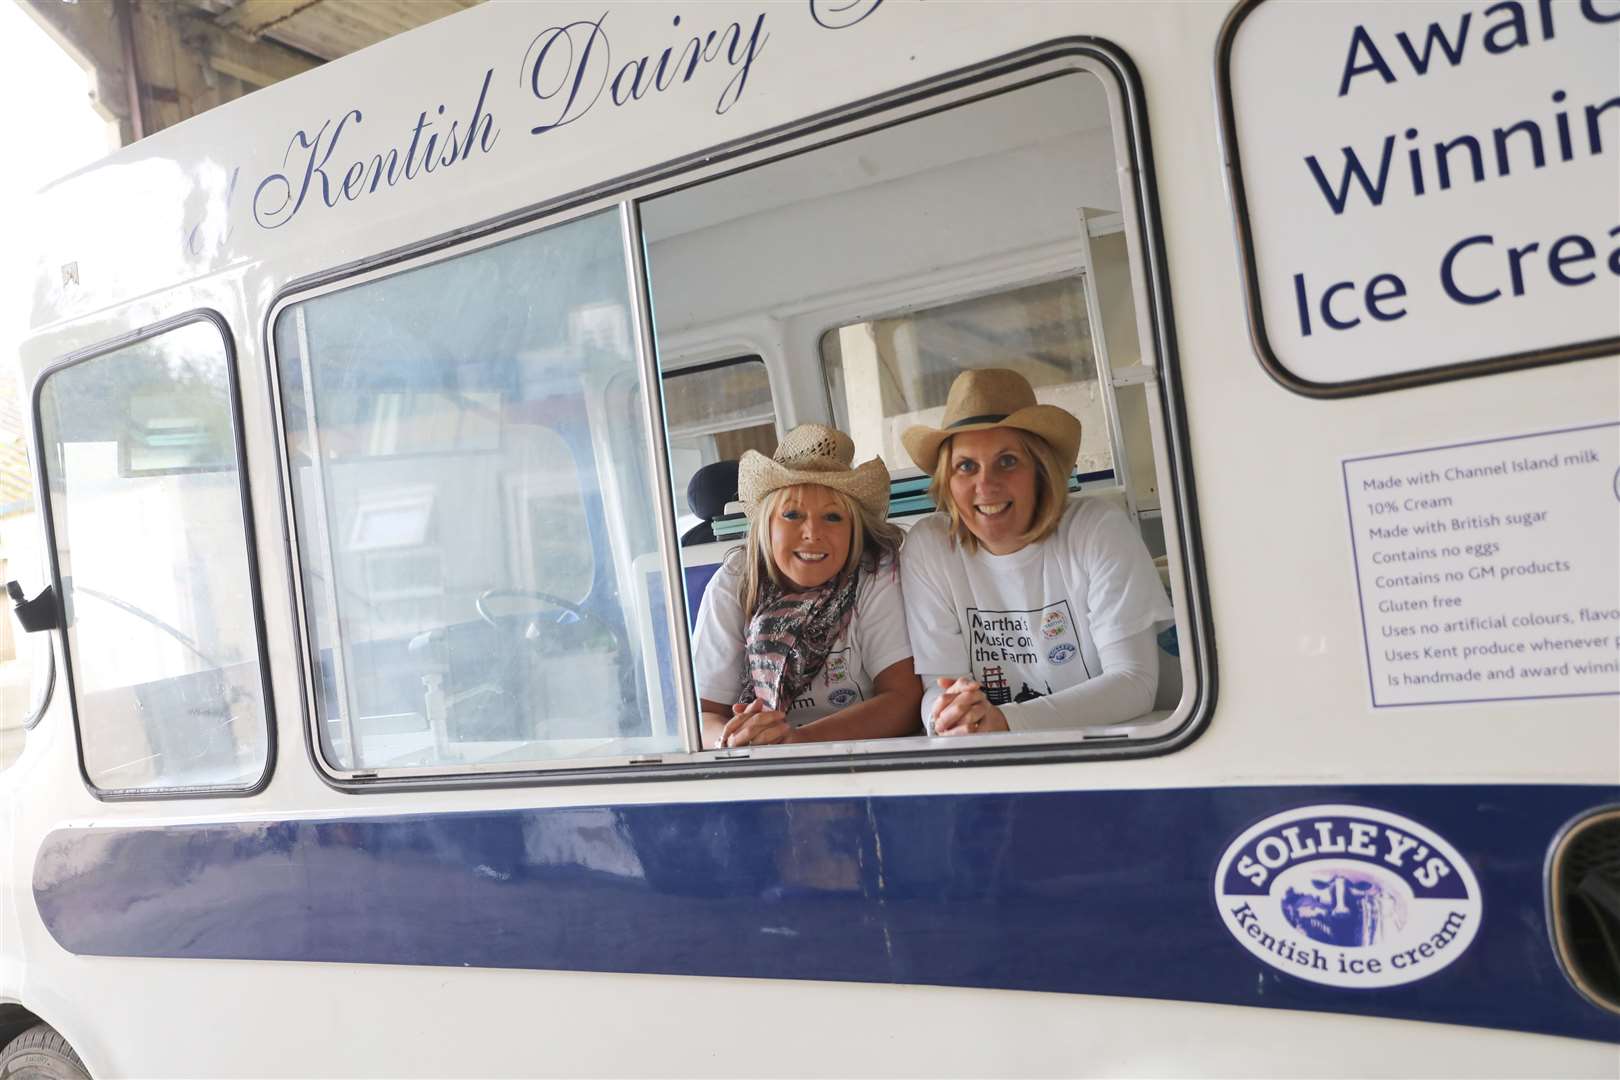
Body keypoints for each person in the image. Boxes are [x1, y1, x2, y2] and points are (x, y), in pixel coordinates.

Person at [898, 368, 1173, 735]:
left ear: (1040, 471)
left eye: (1007, 461)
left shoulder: (1096, 528)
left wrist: (1007, 722)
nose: (986, 484)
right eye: (966, 466)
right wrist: (947, 714)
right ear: (947, 481)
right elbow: (938, 686)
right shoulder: (929, 546)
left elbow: (1134, 683)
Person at [690, 424, 922, 748]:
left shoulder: (876, 575)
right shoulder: (734, 582)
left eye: (832, 518)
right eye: (792, 514)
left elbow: (905, 700)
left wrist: (798, 741)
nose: (812, 532)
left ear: (855, 530)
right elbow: (700, 715)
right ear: (766, 526)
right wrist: (734, 740)